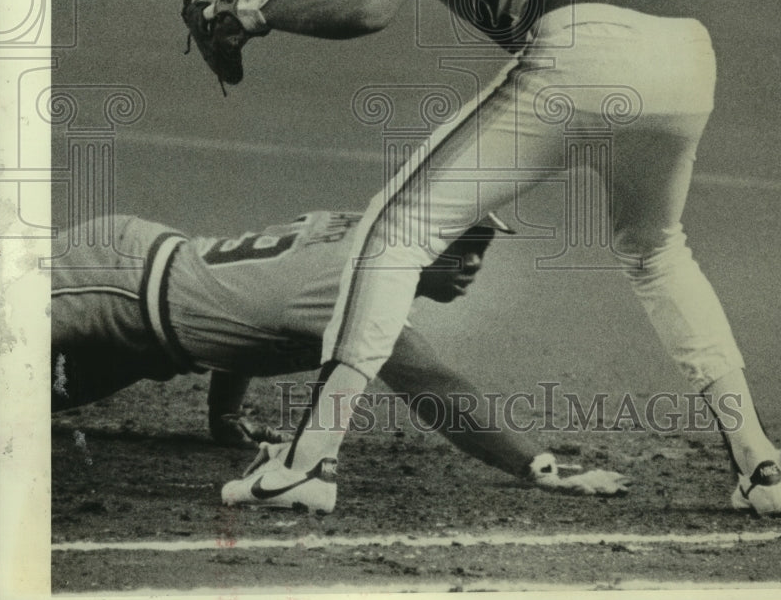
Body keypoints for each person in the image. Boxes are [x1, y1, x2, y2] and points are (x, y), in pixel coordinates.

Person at [190, 0, 781, 518]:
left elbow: (368, 7)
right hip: (685, 54)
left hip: (587, 47)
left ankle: (308, 463)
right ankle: (759, 467)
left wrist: (253, 6)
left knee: (390, 233)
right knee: (655, 249)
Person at [51, 209, 630, 513]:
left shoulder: (358, 234)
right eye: (460, 248)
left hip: (144, 323)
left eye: (481, 249)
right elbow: (433, 385)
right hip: (110, 285)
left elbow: (259, 301)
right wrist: (537, 466)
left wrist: (222, 416)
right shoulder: (369, 275)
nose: (474, 264)